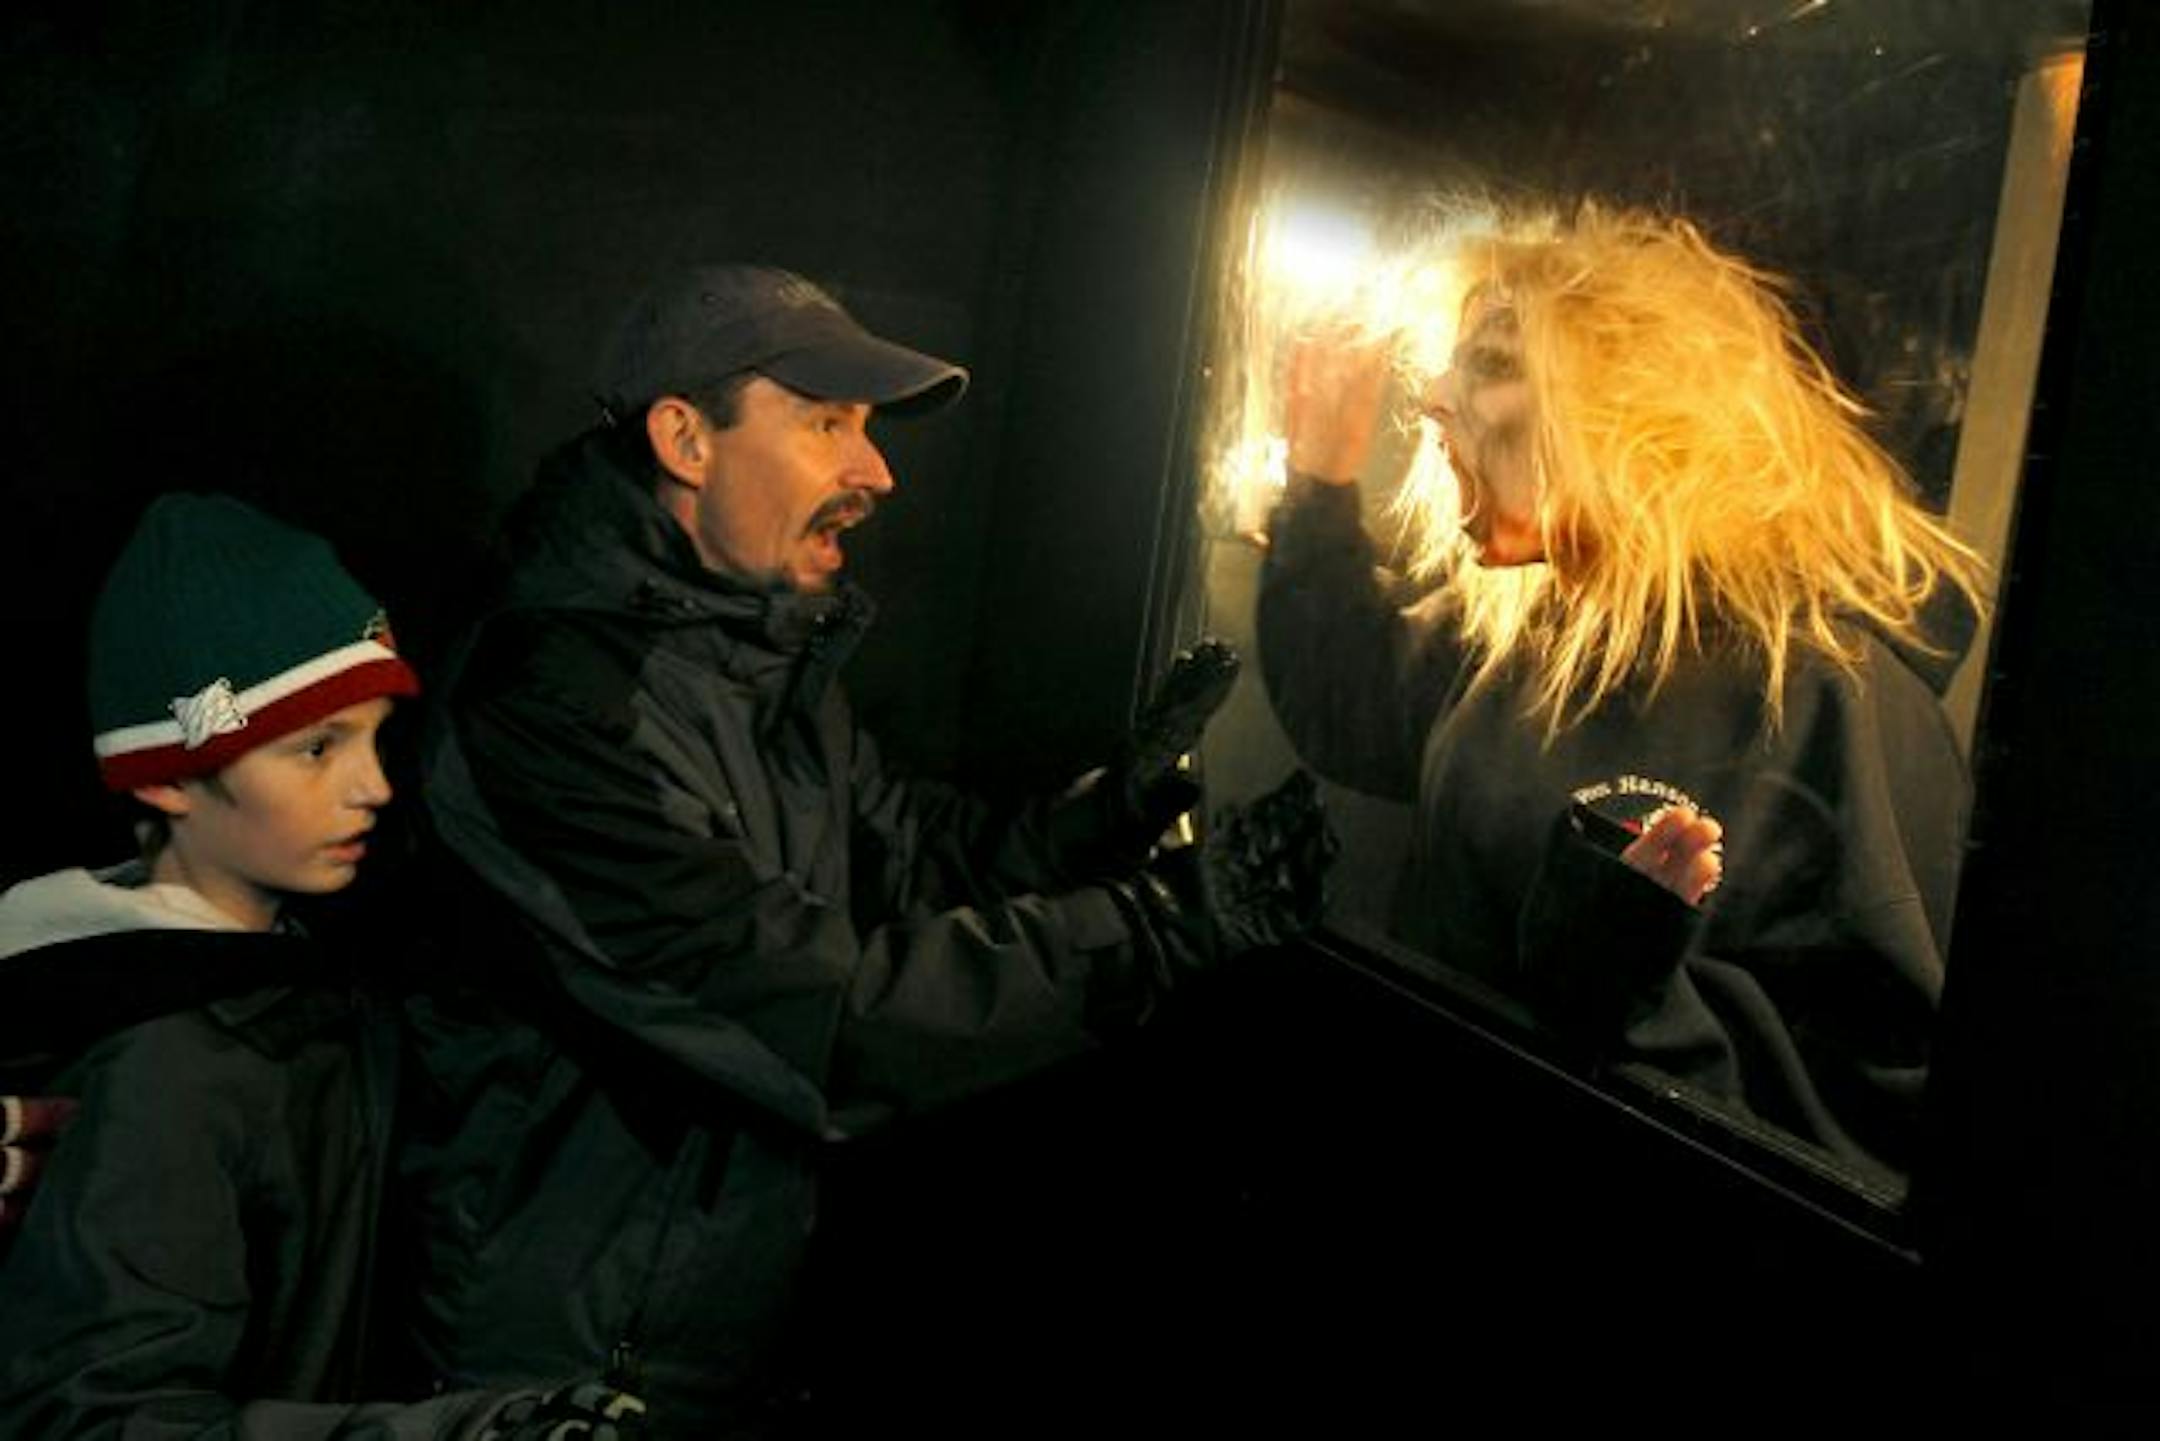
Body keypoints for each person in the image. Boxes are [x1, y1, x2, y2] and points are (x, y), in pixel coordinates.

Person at [397, 266, 1329, 1431]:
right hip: (555, 1371)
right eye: (826, 422)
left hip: (712, 1327)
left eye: (870, 428)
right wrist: (1163, 925)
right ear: (685, 439)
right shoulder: (549, 708)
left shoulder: (748, 657)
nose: (875, 472)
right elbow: (810, 1008)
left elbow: (903, 861)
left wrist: (1103, 817)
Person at [1256, 206, 1987, 1182]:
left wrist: (1631, 997)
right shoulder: (1545, 624)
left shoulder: (1829, 699)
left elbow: (1876, 1130)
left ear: (1634, 409)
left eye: (1494, 362)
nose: (1433, 396)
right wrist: (1319, 478)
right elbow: (1350, 702)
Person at [0, 494, 644, 1439]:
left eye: (377, 735)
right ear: (167, 775)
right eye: (316, 748)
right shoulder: (165, 1063)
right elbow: (104, 1420)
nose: (376, 784)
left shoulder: (309, 982)